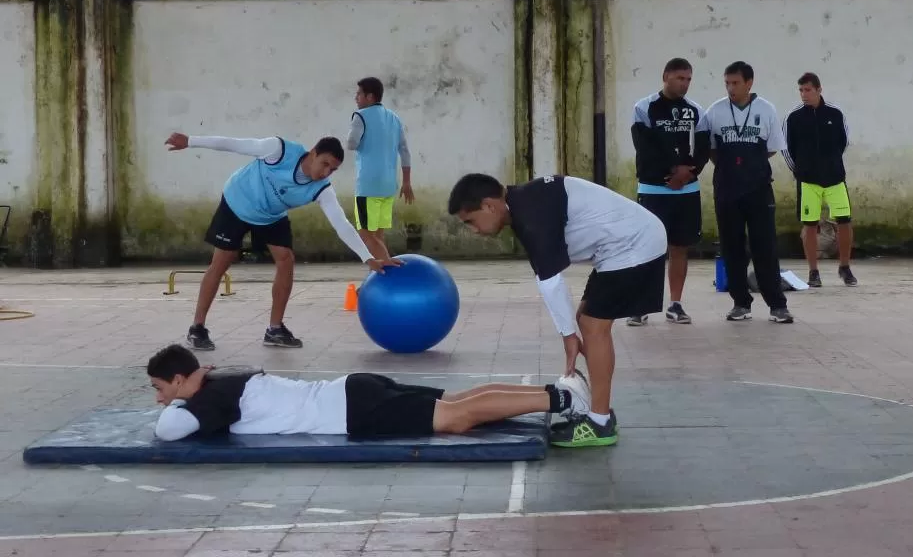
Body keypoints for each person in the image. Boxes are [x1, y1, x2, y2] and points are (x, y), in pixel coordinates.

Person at [447, 173, 669, 448]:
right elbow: (547, 278)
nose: (474, 230)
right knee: (585, 321)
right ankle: (598, 409)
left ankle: (599, 422)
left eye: (471, 221)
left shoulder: (530, 213)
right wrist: (569, 333)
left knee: (592, 326)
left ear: (489, 205)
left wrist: (569, 338)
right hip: (620, 246)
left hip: (633, 244)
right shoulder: (524, 204)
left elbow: (552, 283)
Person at [164, 132, 400, 352]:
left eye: (334, 169)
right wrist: (190, 141)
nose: (327, 172)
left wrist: (368, 258)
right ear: (313, 152)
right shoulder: (277, 150)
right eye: (325, 164)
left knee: (286, 259)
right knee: (222, 261)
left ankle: (274, 329)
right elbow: (233, 144)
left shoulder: (322, 190)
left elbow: (341, 224)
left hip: (270, 216)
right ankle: (197, 328)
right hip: (239, 201)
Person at [146, 344, 592, 441]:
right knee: (456, 402)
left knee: (456, 418)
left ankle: (564, 400)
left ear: (184, 379)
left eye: (161, 388)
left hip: (352, 411)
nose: (159, 398)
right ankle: (560, 391)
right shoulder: (226, 379)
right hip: (353, 390)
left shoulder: (210, 399)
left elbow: (169, 431)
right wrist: (194, 385)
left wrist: (187, 397)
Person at [700, 61, 794, 324]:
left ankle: (777, 304)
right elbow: (710, 150)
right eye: (727, 83)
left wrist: (750, 165)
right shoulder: (715, 111)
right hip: (727, 189)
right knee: (732, 247)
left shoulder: (766, 110)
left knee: (765, 245)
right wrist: (733, 167)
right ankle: (740, 302)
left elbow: (773, 147)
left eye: (736, 83)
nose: (731, 88)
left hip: (758, 189)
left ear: (749, 82)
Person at [627, 57, 711, 327]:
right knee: (649, 249)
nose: (684, 84)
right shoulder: (644, 108)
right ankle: (640, 305)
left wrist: (690, 172)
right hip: (654, 190)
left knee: (680, 247)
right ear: (665, 76)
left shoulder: (696, 110)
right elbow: (645, 147)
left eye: (688, 79)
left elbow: (703, 148)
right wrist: (672, 171)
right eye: (679, 78)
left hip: (687, 191)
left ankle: (675, 304)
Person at [781, 72, 858, 287]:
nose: (804, 95)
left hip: (835, 179)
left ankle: (845, 267)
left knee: (844, 221)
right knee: (810, 225)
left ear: (818, 89)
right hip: (808, 181)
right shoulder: (793, 117)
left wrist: (831, 164)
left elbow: (844, 141)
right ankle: (813, 272)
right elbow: (786, 148)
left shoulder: (836, 112)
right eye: (801, 91)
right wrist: (800, 171)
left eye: (808, 90)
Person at [346, 77, 415, 261]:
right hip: (388, 186)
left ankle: (389, 268)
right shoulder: (394, 118)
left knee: (365, 236)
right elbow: (405, 151)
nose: (356, 98)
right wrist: (406, 182)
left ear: (370, 97)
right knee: (378, 236)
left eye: (359, 94)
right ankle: (379, 277)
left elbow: (351, 144)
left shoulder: (360, 116)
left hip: (368, 186)